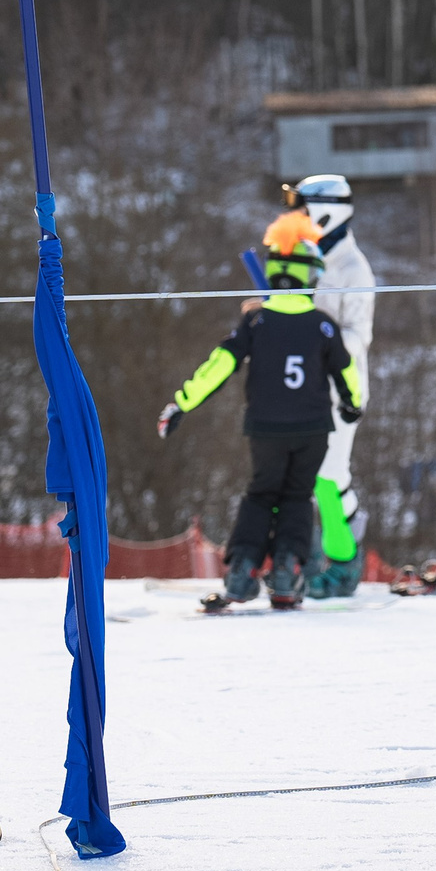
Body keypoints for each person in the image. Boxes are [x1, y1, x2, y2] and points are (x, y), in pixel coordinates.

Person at [158, 232, 362, 611]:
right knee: (297, 497)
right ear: (310, 278)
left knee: (261, 494)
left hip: (266, 428)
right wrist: (353, 405)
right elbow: (346, 372)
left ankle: (243, 570)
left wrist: (181, 404)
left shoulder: (256, 323)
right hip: (313, 429)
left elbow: (219, 365)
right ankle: (287, 573)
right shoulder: (323, 325)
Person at [282, 176, 374, 598]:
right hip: (310, 386)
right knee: (315, 476)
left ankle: (343, 563)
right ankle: (328, 559)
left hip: (343, 389)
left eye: (302, 206)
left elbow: (358, 339)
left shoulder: (353, 269)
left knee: (331, 476)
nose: (296, 215)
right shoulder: (310, 255)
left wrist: (314, 333)